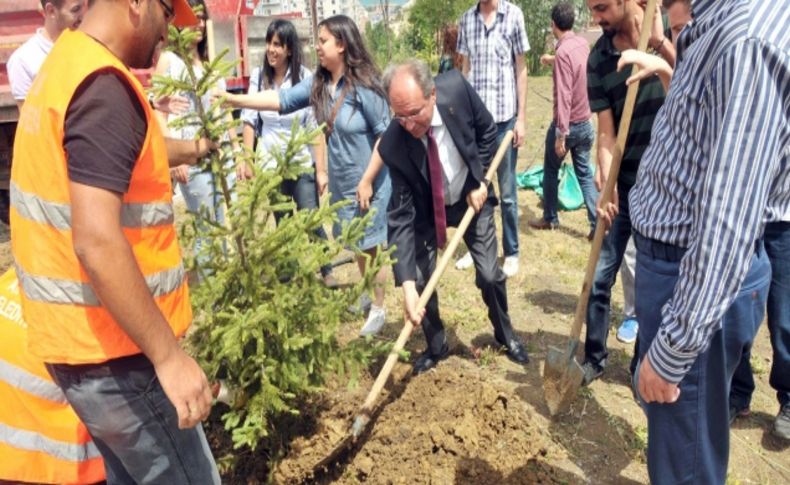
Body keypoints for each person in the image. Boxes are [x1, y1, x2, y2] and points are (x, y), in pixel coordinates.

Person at [10, 0, 222, 481]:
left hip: (81, 353)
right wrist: (169, 358)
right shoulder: (103, 87)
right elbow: (97, 241)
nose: (169, 33)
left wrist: (193, 148)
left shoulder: (65, 68)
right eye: (168, 15)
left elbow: (124, 152)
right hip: (120, 357)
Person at [618, 0, 790, 481]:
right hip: (676, 271)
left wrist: (673, 351)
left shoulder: (747, 41)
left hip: (688, 277)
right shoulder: (719, 24)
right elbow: (705, 138)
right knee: (682, 443)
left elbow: (728, 219)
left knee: (683, 467)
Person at [224, 15, 391, 337]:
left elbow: (385, 136)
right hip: (344, 181)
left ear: (341, 45)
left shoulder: (365, 85)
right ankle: (367, 297)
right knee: (354, 241)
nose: (317, 46)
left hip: (368, 180)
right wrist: (235, 99)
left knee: (370, 244)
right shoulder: (319, 83)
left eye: (324, 40)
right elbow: (281, 101)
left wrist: (368, 179)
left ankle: (380, 308)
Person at [378, 60, 530, 374]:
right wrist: (406, 286)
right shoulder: (394, 143)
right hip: (425, 209)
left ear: (432, 94)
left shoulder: (457, 90)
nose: (407, 124)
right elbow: (401, 216)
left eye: (414, 113)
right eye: (399, 116)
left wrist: (482, 182)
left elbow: (488, 133)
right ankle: (436, 345)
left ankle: (505, 333)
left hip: (470, 197)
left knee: (489, 275)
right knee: (419, 281)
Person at [580, 0, 673, 386]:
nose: (596, 19)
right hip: (626, 180)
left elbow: (698, 90)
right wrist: (608, 179)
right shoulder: (599, 58)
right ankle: (593, 359)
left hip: (667, 190)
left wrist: (663, 45)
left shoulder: (672, 28)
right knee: (601, 275)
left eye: (601, 8)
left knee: (653, 289)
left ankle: (641, 365)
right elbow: (605, 129)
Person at [613, 0, 691, 347]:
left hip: (683, 191)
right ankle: (637, 324)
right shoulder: (603, 54)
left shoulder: (713, 34)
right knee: (634, 262)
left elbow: (689, 93)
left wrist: (661, 49)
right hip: (640, 179)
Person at [238, 19, 334, 284]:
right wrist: (247, 159)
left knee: (310, 217)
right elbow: (249, 119)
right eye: (270, 43)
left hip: (301, 161)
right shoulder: (259, 77)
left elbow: (315, 128)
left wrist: (321, 171)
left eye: (277, 44)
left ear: (289, 49)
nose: (271, 49)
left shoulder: (305, 78)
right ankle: (287, 275)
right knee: (282, 221)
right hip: (271, 164)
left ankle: (327, 271)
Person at [155, 0, 238, 265]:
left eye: (203, 18)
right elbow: (159, 112)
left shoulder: (208, 64)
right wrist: (175, 159)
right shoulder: (169, 61)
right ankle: (215, 294)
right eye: (194, 18)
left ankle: (228, 281)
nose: (200, 24)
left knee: (223, 223)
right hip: (192, 156)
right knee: (207, 227)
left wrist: (236, 151)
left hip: (220, 153)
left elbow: (224, 110)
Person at [456, 0, 529, 277]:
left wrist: (521, 119)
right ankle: (478, 250)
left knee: (508, 193)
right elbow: (464, 69)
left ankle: (511, 252)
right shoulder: (467, 20)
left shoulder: (514, 16)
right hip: (475, 124)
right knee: (476, 189)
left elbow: (521, 68)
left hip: (505, 121)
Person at [527, 2, 597, 239]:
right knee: (585, 174)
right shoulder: (581, 44)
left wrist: (561, 135)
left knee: (550, 170)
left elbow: (564, 95)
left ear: (552, 24)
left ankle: (550, 218)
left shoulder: (563, 52)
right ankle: (597, 224)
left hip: (569, 126)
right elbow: (573, 66)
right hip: (587, 124)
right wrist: (551, 59)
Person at [6, 0, 85, 110]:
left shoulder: (90, 46)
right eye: (75, 10)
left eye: (85, 7)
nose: (83, 16)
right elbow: (29, 121)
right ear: (51, 11)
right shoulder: (23, 61)